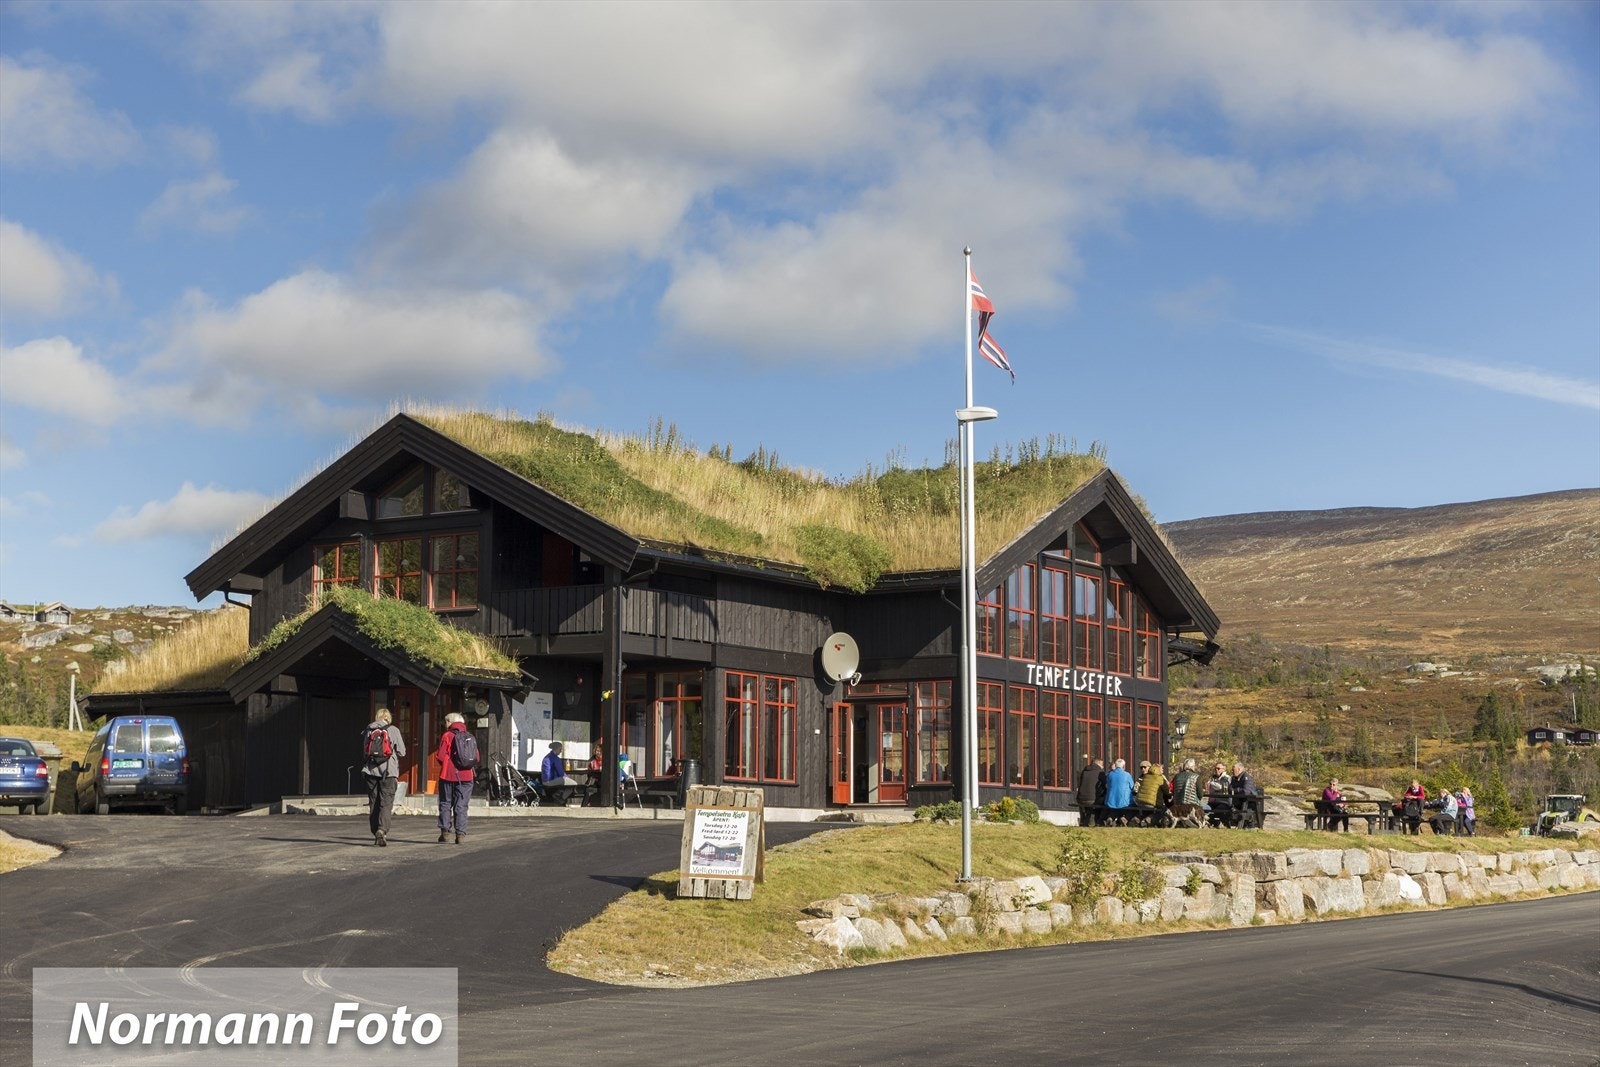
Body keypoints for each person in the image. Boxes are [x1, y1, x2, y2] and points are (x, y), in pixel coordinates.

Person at [360, 707, 405, 847]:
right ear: (388, 718)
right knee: (386, 802)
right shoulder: (393, 730)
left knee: (374, 802)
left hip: (370, 771)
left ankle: (375, 831)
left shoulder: (369, 730)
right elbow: (402, 752)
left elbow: (365, 752)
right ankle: (382, 829)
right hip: (388, 772)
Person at [436, 712, 474, 844]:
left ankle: (445, 832)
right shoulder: (469, 736)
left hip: (448, 774)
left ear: (450, 722)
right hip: (467, 775)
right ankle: (460, 834)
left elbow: (440, 756)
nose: (445, 724)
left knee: (446, 802)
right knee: (462, 804)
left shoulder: (447, 735)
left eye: (446, 721)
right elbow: (477, 757)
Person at [540, 740, 578, 806]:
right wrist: (567, 778)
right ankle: (561, 799)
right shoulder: (555, 758)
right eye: (560, 749)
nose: (561, 751)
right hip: (550, 781)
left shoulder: (546, 757)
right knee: (574, 784)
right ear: (557, 749)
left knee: (567, 783)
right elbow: (561, 773)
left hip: (544, 781)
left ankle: (558, 794)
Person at [1102, 758, 1135, 822]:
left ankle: (1111, 817)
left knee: (1115, 808)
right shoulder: (1127, 775)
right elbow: (1132, 787)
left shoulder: (1110, 774)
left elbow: (1107, 785)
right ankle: (1124, 818)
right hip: (1125, 802)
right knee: (1132, 807)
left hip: (1111, 801)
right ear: (1123, 766)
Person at [1076, 757, 1104, 826]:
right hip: (1092, 799)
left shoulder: (1084, 771)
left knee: (1085, 806)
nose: (1103, 767)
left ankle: (1083, 820)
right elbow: (1105, 784)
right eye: (1102, 765)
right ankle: (1096, 822)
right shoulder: (1100, 773)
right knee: (1102, 802)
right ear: (1099, 763)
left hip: (1080, 798)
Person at [1230, 762, 1257, 828]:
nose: (1232, 771)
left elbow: (1246, 792)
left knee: (1245, 812)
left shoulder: (1247, 778)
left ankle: (1249, 827)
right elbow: (1230, 788)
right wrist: (1236, 790)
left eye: (1233, 770)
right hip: (1238, 802)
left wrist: (1236, 790)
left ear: (1239, 769)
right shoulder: (1234, 778)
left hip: (1249, 803)